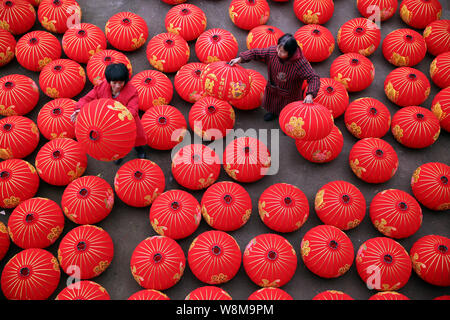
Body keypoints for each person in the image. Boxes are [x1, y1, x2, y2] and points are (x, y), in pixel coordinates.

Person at [229, 33, 321, 121]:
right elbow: (256, 53)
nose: (278, 52)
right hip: (273, 88)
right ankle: (274, 113)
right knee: (273, 104)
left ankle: (286, 122)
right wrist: (241, 58)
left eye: (283, 52)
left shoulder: (300, 63)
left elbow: (313, 77)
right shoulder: (272, 52)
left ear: (291, 53)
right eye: (278, 48)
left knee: (289, 111)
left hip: (290, 94)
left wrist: (310, 94)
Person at [71, 63, 147, 164]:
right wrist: (80, 109)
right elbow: (87, 98)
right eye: (114, 83)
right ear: (108, 81)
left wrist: (118, 117)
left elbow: (133, 109)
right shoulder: (101, 87)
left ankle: (139, 149)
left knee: (134, 138)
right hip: (108, 124)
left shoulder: (132, 91)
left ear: (126, 81)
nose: (117, 86)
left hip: (128, 121)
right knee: (115, 142)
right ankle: (119, 155)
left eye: (121, 82)